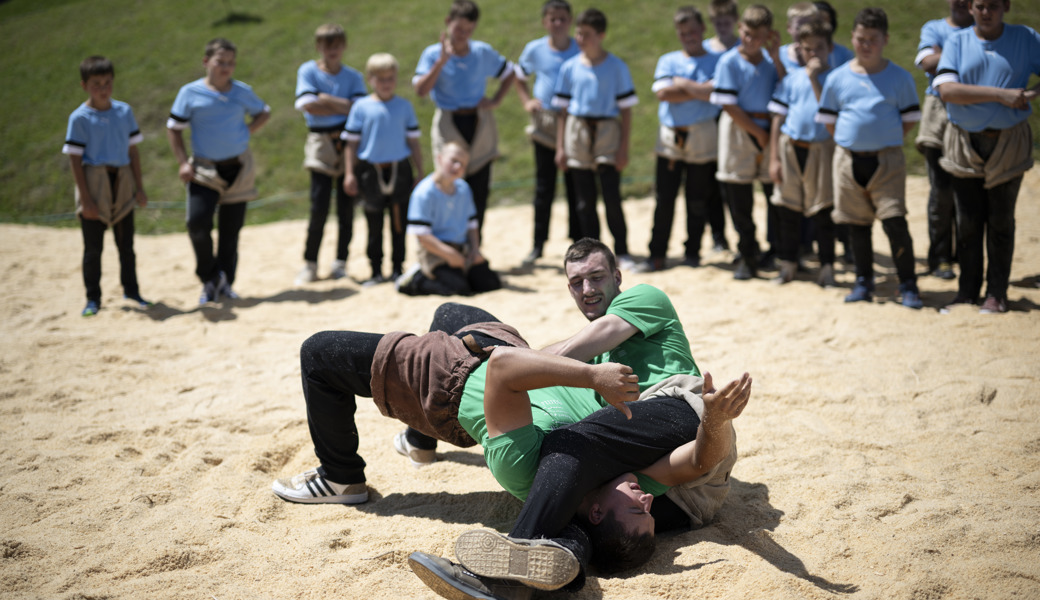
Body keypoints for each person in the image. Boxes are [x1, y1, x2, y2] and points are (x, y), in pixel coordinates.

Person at [394, 237, 702, 466]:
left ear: (617, 277)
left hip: (668, 423)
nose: (588, 290)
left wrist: (514, 367)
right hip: (625, 432)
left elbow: (571, 349)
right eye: (577, 282)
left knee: (452, 320)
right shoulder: (597, 353)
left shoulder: (645, 297)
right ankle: (419, 439)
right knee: (453, 324)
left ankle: (419, 439)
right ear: (569, 289)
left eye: (597, 278)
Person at [934, 0, 1040, 314]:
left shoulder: (1025, 37)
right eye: (980, 5)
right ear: (970, 7)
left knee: (1000, 220)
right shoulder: (957, 40)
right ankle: (967, 292)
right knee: (967, 221)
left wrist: (1030, 94)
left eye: (994, 5)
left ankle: (996, 293)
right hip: (964, 141)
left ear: (1006, 6)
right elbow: (947, 91)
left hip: (1008, 140)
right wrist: (1000, 94)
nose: (986, 12)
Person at [815, 7, 923, 308]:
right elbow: (829, 118)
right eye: (861, 38)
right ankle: (863, 281)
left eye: (873, 39)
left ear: (885, 39)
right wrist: (852, 139)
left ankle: (908, 284)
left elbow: (910, 117)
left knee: (894, 222)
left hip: (886, 161)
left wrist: (886, 138)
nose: (866, 45)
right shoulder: (838, 78)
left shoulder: (898, 77)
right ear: (852, 37)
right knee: (856, 225)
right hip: (849, 161)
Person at [167, 38, 270, 304]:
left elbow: (264, 112)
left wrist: (247, 131)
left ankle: (225, 284)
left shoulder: (242, 91)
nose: (226, 67)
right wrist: (182, 163)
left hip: (239, 167)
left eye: (231, 63)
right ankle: (209, 278)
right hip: (204, 169)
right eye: (220, 62)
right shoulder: (189, 93)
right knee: (197, 224)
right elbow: (174, 129)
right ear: (206, 62)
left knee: (230, 231)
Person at [413, 0, 515, 237]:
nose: (463, 35)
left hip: (479, 122)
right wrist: (441, 62)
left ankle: (475, 249)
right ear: (448, 23)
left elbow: (510, 72)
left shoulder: (481, 52)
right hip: (449, 123)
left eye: (468, 31)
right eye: (459, 29)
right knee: (448, 184)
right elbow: (420, 90)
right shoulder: (432, 54)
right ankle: (448, 244)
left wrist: (496, 100)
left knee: (479, 189)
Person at [635, 6, 722, 273]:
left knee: (697, 198)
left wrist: (682, 84)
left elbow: (716, 93)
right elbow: (664, 94)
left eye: (693, 31)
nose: (689, 36)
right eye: (683, 33)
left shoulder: (719, 60)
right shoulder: (668, 59)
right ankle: (657, 254)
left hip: (704, 133)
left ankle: (692, 252)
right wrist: (699, 89)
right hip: (671, 137)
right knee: (665, 198)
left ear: (703, 29)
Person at [552, 8, 639, 270]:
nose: (580, 38)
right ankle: (590, 256)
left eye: (586, 34)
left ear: (600, 35)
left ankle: (621, 252)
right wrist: (560, 146)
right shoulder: (569, 67)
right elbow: (563, 111)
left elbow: (626, 109)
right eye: (578, 32)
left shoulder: (616, 66)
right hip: (577, 131)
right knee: (584, 201)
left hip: (607, 131)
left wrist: (623, 147)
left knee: (611, 196)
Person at [63, 55, 149, 317]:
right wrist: (86, 199)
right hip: (94, 181)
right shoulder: (79, 118)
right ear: (84, 85)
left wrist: (139, 187)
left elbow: (133, 151)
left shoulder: (123, 111)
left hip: (121, 179)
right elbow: (75, 160)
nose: (103, 88)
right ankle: (93, 299)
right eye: (96, 83)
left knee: (126, 244)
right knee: (93, 247)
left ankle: (132, 292)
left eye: (107, 82)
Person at [710, 4, 783, 280]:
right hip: (740, 130)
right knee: (739, 198)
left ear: (768, 36)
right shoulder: (729, 61)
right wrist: (758, 133)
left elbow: (787, 88)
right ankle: (748, 255)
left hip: (768, 127)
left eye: (758, 36)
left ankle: (776, 251)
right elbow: (728, 105)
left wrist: (776, 57)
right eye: (747, 33)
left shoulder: (770, 62)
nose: (751, 41)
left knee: (773, 195)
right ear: (740, 29)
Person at [293, 24, 367, 285]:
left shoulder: (354, 76)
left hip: (348, 144)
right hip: (320, 144)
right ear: (318, 47)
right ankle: (310, 263)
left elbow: (360, 110)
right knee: (319, 207)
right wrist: (342, 106)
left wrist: (324, 98)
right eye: (327, 45)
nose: (332, 50)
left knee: (346, 208)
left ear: (343, 46)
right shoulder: (308, 70)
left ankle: (340, 262)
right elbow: (305, 104)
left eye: (336, 45)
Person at [342, 53, 424, 286]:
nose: (386, 83)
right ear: (370, 79)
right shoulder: (361, 107)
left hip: (400, 169)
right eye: (380, 79)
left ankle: (398, 268)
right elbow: (351, 144)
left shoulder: (404, 106)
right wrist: (349, 173)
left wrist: (420, 171)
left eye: (390, 78)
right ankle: (376, 271)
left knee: (399, 224)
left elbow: (414, 142)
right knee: (374, 224)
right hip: (370, 172)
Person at [767, 19, 838, 286]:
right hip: (790, 147)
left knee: (823, 212)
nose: (813, 54)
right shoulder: (791, 79)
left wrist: (814, 78)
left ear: (829, 47)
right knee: (788, 209)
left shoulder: (836, 78)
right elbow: (777, 118)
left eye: (819, 47)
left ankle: (828, 267)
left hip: (821, 149)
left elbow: (828, 114)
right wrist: (774, 157)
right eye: (808, 49)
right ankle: (788, 265)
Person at [515, 0, 582, 267]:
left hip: (574, 121)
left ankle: (578, 242)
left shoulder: (579, 48)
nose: (557, 23)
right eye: (552, 19)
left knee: (576, 185)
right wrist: (526, 101)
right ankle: (538, 244)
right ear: (545, 22)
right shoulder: (535, 49)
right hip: (545, 123)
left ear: (570, 21)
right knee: (544, 186)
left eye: (562, 18)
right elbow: (518, 74)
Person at [915, 0, 974, 282]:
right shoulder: (933, 28)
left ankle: (966, 254)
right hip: (938, 115)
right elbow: (927, 62)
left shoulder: (985, 30)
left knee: (968, 192)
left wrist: (946, 52)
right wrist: (967, 50)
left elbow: (937, 61)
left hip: (973, 113)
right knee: (940, 191)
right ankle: (939, 257)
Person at [395, 143, 501, 296]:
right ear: (439, 159)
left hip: (462, 250)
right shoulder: (424, 193)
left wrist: (475, 250)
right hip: (435, 252)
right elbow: (423, 236)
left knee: (490, 283)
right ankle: (415, 280)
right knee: (457, 288)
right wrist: (450, 255)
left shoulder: (463, 189)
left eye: (463, 164)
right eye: (454, 160)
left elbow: (472, 225)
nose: (457, 166)